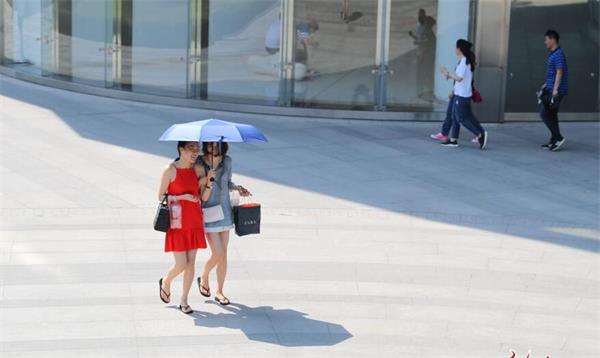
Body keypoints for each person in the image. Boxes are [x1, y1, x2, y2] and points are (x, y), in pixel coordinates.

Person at [196, 142, 251, 306]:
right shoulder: (199, 162)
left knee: (224, 254)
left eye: (217, 145)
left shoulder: (227, 161)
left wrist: (237, 188)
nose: (214, 148)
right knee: (217, 253)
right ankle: (204, 276)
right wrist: (208, 178)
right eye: (211, 145)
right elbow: (199, 190)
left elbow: (228, 182)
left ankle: (219, 291)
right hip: (209, 211)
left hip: (225, 212)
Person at [157, 141, 208, 314]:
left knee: (191, 262)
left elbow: (203, 196)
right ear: (181, 150)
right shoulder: (170, 170)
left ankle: (184, 300)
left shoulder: (199, 170)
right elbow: (160, 196)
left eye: (197, 149)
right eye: (191, 149)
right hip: (177, 220)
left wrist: (207, 182)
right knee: (181, 263)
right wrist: (184, 197)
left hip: (194, 219)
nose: (195, 152)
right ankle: (166, 281)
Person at [440, 39, 488, 149]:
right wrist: (453, 91)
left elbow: (460, 78)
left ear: (459, 49)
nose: (455, 50)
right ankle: (453, 140)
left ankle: (480, 134)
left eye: (456, 47)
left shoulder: (464, 62)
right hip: (461, 94)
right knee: (456, 116)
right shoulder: (464, 61)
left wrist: (447, 74)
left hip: (462, 96)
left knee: (461, 118)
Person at [539, 29, 568, 151]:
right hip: (550, 88)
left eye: (546, 40)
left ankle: (558, 138)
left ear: (552, 39)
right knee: (552, 115)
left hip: (556, 91)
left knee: (545, 114)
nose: (545, 42)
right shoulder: (553, 54)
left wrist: (555, 90)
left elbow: (559, 71)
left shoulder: (558, 54)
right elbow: (553, 73)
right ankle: (553, 140)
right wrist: (545, 84)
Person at [409, 9, 436, 100]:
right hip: (422, 56)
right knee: (421, 75)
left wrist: (417, 41)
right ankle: (420, 92)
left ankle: (423, 93)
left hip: (425, 57)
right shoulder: (423, 29)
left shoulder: (428, 33)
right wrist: (414, 37)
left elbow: (425, 42)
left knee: (424, 75)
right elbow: (422, 40)